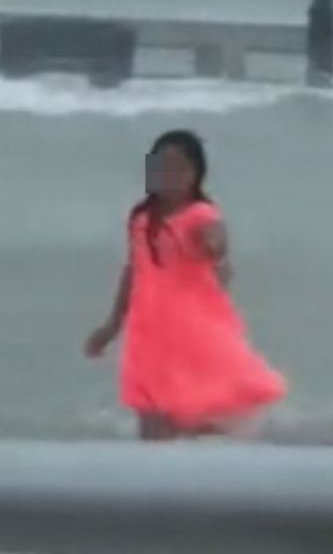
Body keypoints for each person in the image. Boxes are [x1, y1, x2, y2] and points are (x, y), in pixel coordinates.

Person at [85, 130, 286, 441]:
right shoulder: (141, 218)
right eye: (162, 167)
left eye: (179, 168)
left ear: (195, 175)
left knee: (194, 408)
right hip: (147, 330)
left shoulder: (200, 215)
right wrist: (111, 326)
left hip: (189, 328)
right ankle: (156, 476)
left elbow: (218, 240)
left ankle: (204, 456)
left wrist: (215, 247)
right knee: (150, 413)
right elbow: (133, 270)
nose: (169, 175)